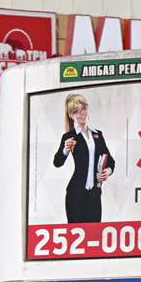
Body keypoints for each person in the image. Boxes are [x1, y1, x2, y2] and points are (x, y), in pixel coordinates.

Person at [53, 93, 113, 223]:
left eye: (84, 108)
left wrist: (108, 171)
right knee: (75, 232)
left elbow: (110, 159)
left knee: (95, 235)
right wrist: (65, 150)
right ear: (71, 115)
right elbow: (57, 162)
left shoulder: (97, 135)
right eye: (76, 111)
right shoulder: (69, 137)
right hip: (76, 194)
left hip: (94, 195)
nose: (81, 113)